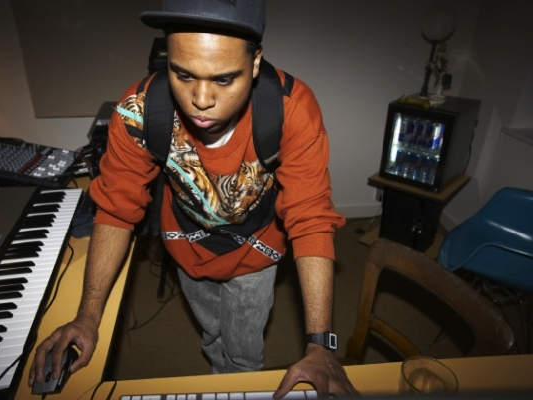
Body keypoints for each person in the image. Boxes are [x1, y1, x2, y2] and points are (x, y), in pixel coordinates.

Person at [29, 0, 358, 397]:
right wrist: (87, 316)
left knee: (243, 354)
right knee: (212, 335)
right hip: (185, 246)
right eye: (183, 74)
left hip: (257, 250)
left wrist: (320, 346)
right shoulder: (139, 112)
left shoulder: (292, 110)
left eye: (224, 79)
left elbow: (311, 220)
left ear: (255, 63)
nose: (201, 99)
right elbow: (116, 210)